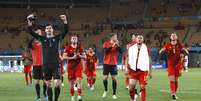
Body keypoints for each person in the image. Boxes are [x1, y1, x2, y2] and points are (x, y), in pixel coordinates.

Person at [27, 14, 68, 101]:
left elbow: (66, 30)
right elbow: (30, 32)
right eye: (47, 28)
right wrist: (29, 22)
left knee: (57, 83)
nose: (49, 29)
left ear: (52, 30)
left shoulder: (58, 38)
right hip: (45, 65)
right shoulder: (42, 39)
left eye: (50, 28)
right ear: (45, 31)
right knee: (48, 84)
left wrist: (65, 21)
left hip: (56, 64)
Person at [159, 32, 188, 100]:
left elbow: (186, 52)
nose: (174, 36)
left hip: (178, 65)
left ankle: (174, 92)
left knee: (176, 80)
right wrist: (162, 51)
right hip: (171, 65)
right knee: (172, 79)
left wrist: (185, 52)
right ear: (170, 38)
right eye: (172, 35)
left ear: (177, 38)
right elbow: (161, 52)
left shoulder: (180, 45)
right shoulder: (167, 45)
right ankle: (173, 93)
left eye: (175, 35)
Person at [128, 35, 152, 101]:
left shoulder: (146, 48)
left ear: (143, 40)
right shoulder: (131, 48)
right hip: (133, 70)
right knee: (131, 88)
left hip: (143, 71)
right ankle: (133, 99)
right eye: (138, 38)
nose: (139, 39)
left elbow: (148, 60)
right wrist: (127, 68)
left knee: (143, 87)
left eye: (141, 38)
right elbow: (128, 58)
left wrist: (149, 71)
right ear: (136, 39)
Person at [63, 34, 86, 101]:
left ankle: (79, 96)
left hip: (78, 66)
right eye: (73, 38)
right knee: (71, 83)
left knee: (79, 80)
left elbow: (85, 57)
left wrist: (80, 56)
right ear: (71, 40)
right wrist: (72, 57)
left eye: (75, 38)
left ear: (77, 40)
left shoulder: (80, 48)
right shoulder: (67, 48)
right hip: (70, 67)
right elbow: (64, 57)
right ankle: (72, 96)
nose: (74, 40)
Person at [28, 29, 48, 101]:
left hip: (44, 65)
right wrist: (34, 36)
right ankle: (38, 97)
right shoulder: (33, 45)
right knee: (37, 82)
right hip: (36, 65)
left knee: (45, 81)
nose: (38, 34)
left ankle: (45, 94)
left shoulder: (44, 42)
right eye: (37, 33)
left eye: (39, 33)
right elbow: (28, 44)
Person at [102, 33, 122, 99]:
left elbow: (121, 51)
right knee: (105, 78)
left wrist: (118, 46)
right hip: (106, 63)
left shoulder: (116, 45)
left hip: (113, 64)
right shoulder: (106, 43)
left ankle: (114, 94)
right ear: (112, 37)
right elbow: (106, 52)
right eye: (115, 37)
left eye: (116, 37)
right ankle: (105, 90)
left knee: (114, 79)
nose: (116, 38)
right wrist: (113, 45)